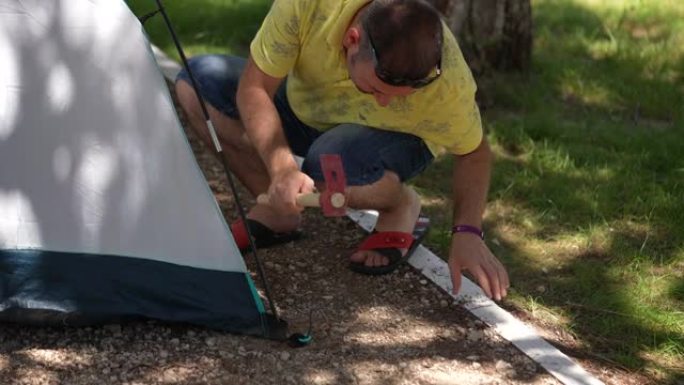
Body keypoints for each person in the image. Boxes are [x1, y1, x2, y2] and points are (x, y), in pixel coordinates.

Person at [175, 0, 509, 300]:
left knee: (329, 163)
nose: (385, 100)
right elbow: (255, 87)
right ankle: (279, 207)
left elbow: (474, 153)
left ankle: (400, 205)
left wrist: (467, 232)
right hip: (304, 109)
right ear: (351, 40)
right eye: (377, 88)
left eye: (399, 94)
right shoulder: (306, 5)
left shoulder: (447, 78)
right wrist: (282, 170)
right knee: (197, 83)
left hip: (392, 138)